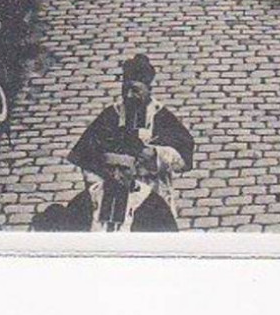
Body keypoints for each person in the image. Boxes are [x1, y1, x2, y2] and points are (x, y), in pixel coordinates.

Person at [61, 55, 195, 232]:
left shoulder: (161, 118)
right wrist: (102, 183)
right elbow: (86, 158)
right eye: (125, 89)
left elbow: (183, 157)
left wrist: (155, 155)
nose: (129, 95)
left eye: (135, 90)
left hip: (152, 194)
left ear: (148, 89)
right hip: (108, 193)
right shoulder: (111, 116)